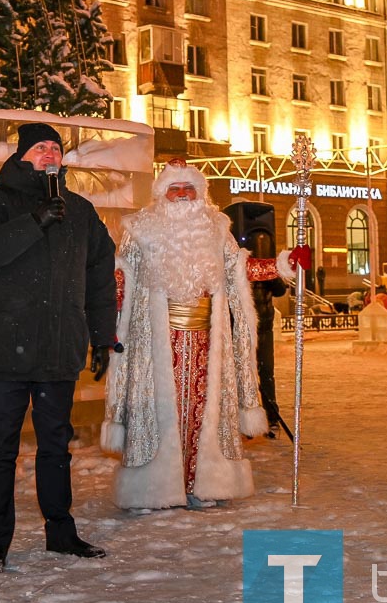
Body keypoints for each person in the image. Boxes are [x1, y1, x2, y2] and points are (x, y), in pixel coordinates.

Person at [0, 122, 116, 572]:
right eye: (40, 147)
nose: (50, 153)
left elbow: (100, 278)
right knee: (1, 449)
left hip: (59, 349)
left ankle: (61, 535)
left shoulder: (81, 211)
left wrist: (103, 336)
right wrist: (35, 221)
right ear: (23, 155)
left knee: (56, 446)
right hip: (9, 351)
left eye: (56, 147)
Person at [101, 160, 270, 510]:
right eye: (173, 189)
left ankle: (202, 484)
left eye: (187, 188)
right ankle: (153, 490)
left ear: (200, 192)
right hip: (155, 342)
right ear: (161, 194)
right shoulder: (141, 229)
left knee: (201, 414)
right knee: (156, 413)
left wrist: (280, 265)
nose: (181, 195)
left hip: (208, 341)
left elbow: (239, 268)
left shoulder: (216, 228)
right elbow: (123, 275)